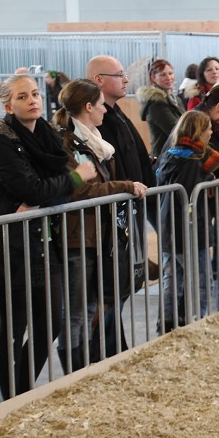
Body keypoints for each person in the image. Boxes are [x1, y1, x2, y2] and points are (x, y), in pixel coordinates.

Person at [0, 75, 98, 399]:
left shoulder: (47, 137)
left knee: (50, 323)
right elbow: (32, 188)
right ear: (7, 106)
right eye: (21, 97)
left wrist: (50, 192)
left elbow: (53, 194)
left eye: (34, 94)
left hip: (44, 242)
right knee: (14, 327)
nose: (31, 100)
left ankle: (23, 388)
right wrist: (73, 177)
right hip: (9, 245)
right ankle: (13, 395)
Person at [50, 79, 146, 370]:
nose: (106, 110)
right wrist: (125, 186)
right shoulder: (67, 143)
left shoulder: (96, 143)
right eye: (101, 104)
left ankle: (85, 365)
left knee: (91, 305)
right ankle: (73, 369)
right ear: (88, 107)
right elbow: (80, 190)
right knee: (77, 311)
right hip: (77, 235)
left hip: (96, 233)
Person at [86, 55, 158, 355]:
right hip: (112, 215)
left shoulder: (116, 114)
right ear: (99, 80)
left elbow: (136, 156)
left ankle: (115, 347)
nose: (125, 79)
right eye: (118, 75)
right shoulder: (97, 121)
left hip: (130, 208)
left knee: (124, 283)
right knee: (110, 287)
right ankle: (99, 349)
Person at [155, 110, 219, 328]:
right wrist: (206, 177)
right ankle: (198, 320)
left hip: (169, 226)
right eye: (208, 128)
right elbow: (190, 188)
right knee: (201, 280)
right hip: (189, 227)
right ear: (198, 132)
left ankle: (167, 322)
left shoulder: (171, 154)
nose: (211, 132)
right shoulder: (192, 159)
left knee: (172, 280)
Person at [138, 58, 183, 158]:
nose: (169, 78)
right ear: (153, 78)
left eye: (170, 73)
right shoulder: (156, 104)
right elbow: (176, 130)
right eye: (163, 75)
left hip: (176, 154)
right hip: (164, 158)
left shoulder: (176, 99)